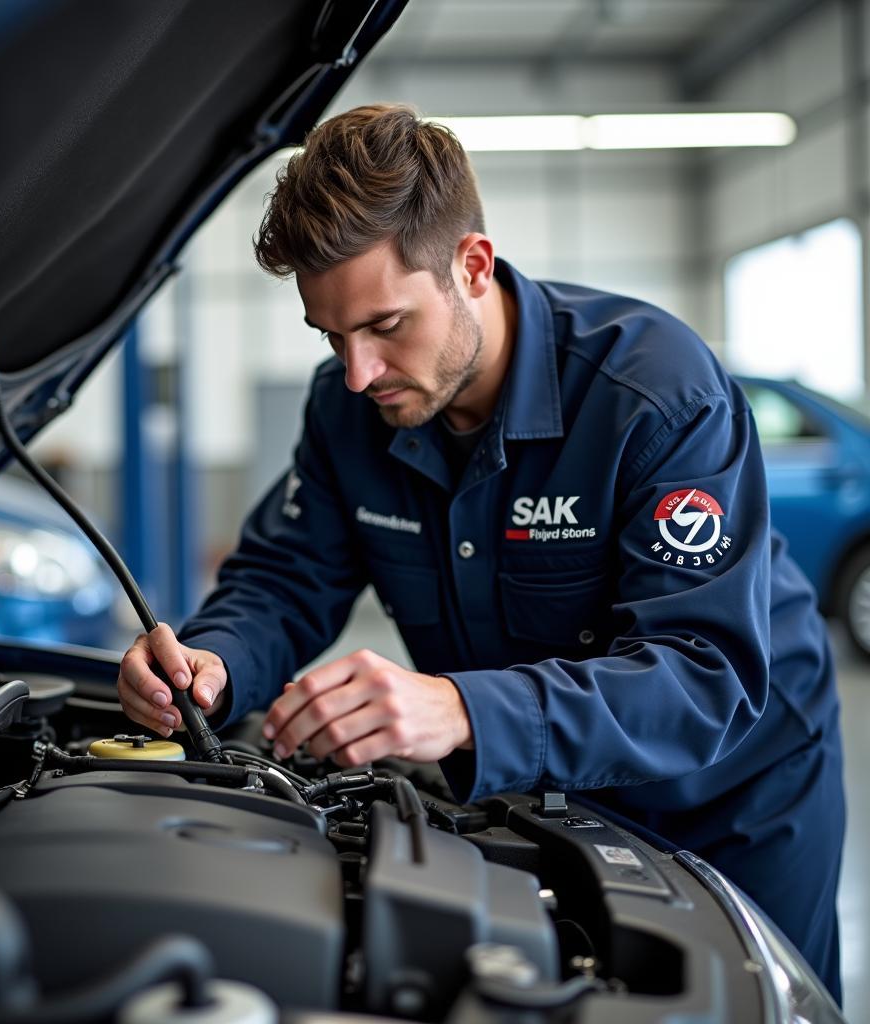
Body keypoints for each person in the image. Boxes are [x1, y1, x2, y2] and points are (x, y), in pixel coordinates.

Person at [116, 105, 845, 1001]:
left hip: (733, 803)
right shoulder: (349, 408)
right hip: (535, 795)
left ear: (471, 265)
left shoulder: (652, 395)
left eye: (385, 325)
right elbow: (283, 578)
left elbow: (701, 676)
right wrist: (214, 663)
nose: (357, 372)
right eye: (329, 335)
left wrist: (462, 711)